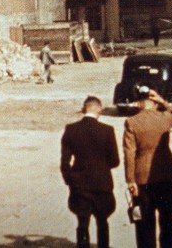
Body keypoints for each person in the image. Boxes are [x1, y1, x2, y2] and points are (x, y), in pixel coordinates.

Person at [60, 95, 120, 248]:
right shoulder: (107, 130)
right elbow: (114, 161)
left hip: (79, 183)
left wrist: (70, 179)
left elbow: (64, 162)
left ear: (83, 110)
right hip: (102, 183)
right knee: (102, 221)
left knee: (82, 222)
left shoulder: (71, 129)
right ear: (99, 110)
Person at [123, 86, 172, 248]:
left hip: (142, 177)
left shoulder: (132, 122)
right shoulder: (165, 118)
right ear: (154, 102)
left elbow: (129, 153)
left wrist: (130, 180)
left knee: (145, 222)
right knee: (168, 218)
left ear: (139, 103)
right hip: (166, 173)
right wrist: (162, 100)